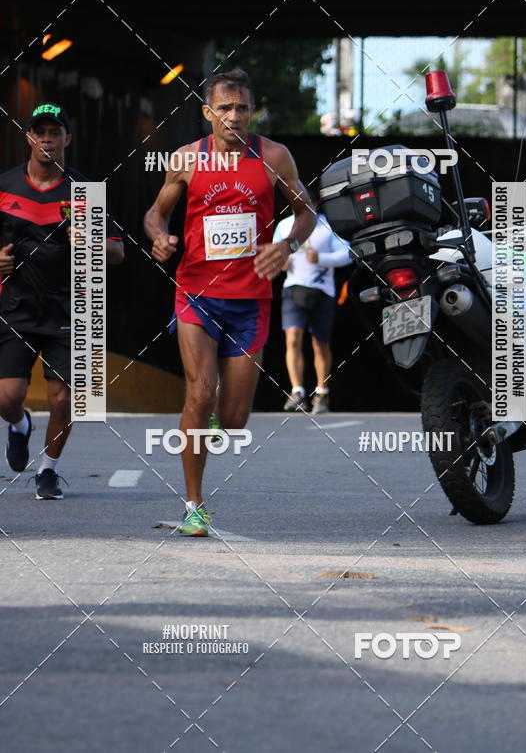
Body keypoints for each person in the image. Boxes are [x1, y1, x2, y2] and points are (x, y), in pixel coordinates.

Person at [144, 69, 316, 536]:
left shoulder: (274, 157)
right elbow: (156, 212)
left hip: (251, 299)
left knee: (235, 419)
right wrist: (159, 237)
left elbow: (307, 211)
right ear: (208, 113)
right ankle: (194, 504)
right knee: (200, 394)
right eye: (224, 108)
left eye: (242, 107)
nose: (234, 116)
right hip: (196, 294)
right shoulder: (186, 159)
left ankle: (215, 422)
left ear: (251, 111)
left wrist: (288, 245)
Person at [0, 103, 124, 498]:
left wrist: (90, 244)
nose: (47, 139)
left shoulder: (85, 192)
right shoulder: (4, 186)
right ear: (29, 138)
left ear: (67, 139)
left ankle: (48, 471)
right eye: (40, 132)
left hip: (73, 308)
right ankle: (19, 426)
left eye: (55, 132)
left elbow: (118, 252)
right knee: (7, 398)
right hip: (16, 307)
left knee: (64, 397)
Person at [273, 188, 351, 414]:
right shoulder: (285, 226)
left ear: (315, 204)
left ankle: (322, 393)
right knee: (293, 339)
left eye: (306, 202)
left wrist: (322, 258)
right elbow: (274, 253)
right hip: (293, 287)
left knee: (320, 343)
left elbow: (348, 252)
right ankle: (297, 391)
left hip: (322, 291)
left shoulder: (327, 226)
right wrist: (281, 263)